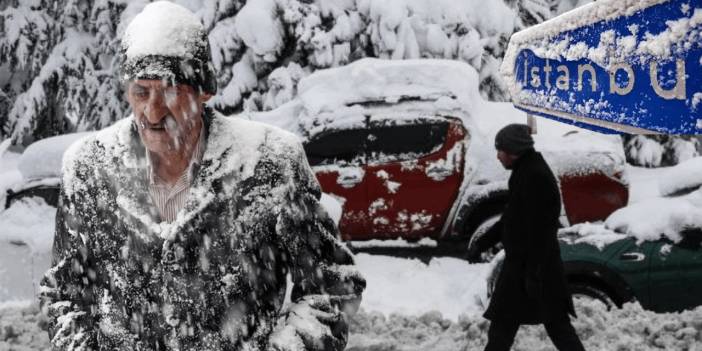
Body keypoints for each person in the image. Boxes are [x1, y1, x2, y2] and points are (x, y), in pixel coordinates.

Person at [39, 2, 365, 350]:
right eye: (141, 91)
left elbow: (332, 284)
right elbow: (64, 296)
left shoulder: (270, 162)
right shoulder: (89, 167)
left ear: (203, 92)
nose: (152, 110)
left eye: (169, 90)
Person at [467, 124, 586, 351]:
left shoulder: (535, 177)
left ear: (513, 150)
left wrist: (534, 273)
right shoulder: (525, 172)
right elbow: (511, 220)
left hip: (534, 270)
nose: (498, 155)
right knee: (505, 329)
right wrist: (482, 243)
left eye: (500, 149)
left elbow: (541, 231)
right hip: (526, 269)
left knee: (557, 328)